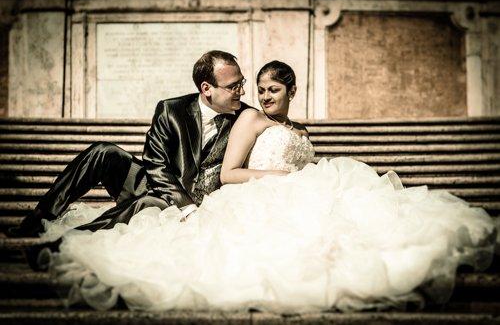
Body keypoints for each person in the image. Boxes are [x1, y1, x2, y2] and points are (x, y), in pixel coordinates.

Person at [41, 61, 497, 313]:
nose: (251, 94)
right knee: (108, 158)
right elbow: (179, 167)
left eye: (260, 87)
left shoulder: (253, 119)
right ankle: (45, 225)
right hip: (164, 186)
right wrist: (189, 204)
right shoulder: (180, 110)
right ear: (207, 89)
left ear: (290, 91)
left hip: (250, 194)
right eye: (241, 86)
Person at [7, 50, 251, 237]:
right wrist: (185, 206)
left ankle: (72, 240)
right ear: (206, 88)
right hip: (154, 186)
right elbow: (155, 164)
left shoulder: (246, 118)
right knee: (103, 151)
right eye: (233, 86)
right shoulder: (171, 109)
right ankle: (39, 218)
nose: (240, 91)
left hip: (194, 203)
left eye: (242, 82)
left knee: (146, 204)